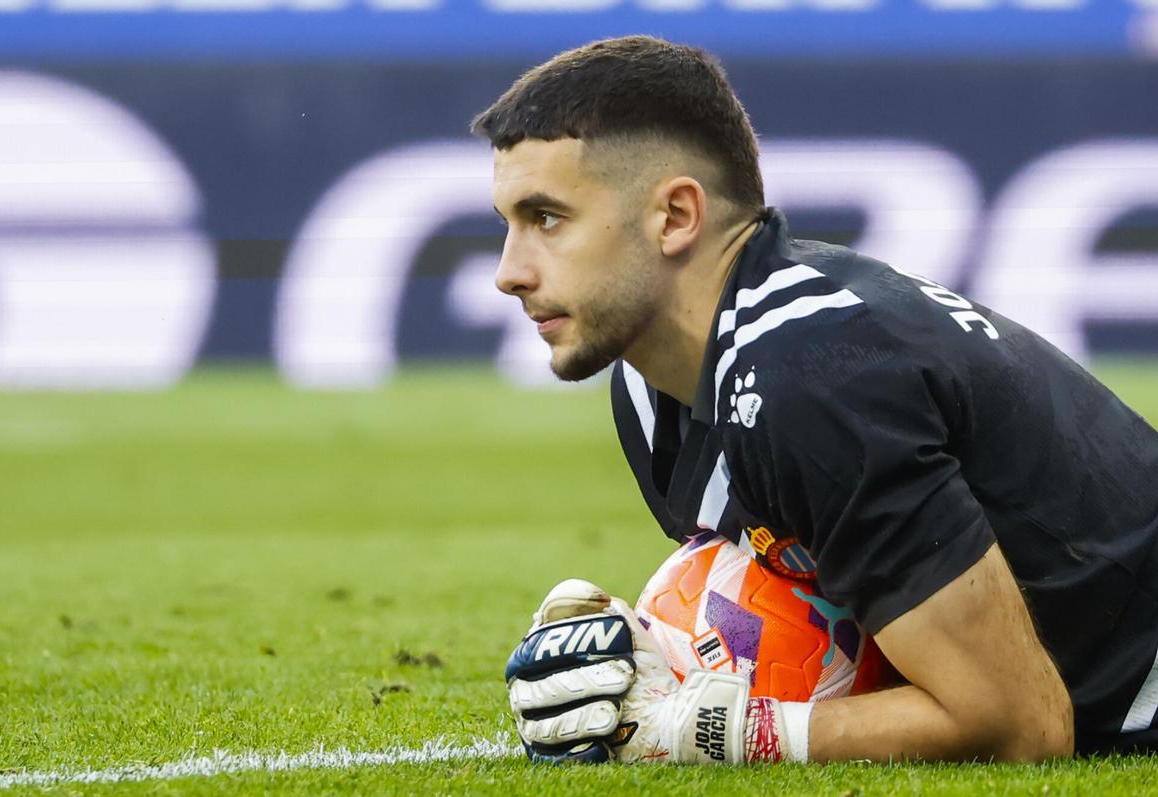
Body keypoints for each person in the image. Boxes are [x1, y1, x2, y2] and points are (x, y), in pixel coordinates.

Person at [471, 35, 1158, 765]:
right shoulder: (654, 386)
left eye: (546, 218)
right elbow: (816, 613)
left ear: (675, 216)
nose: (509, 272)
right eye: (507, 224)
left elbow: (1021, 724)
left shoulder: (808, 377)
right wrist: (664, 651)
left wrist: (703, 729)